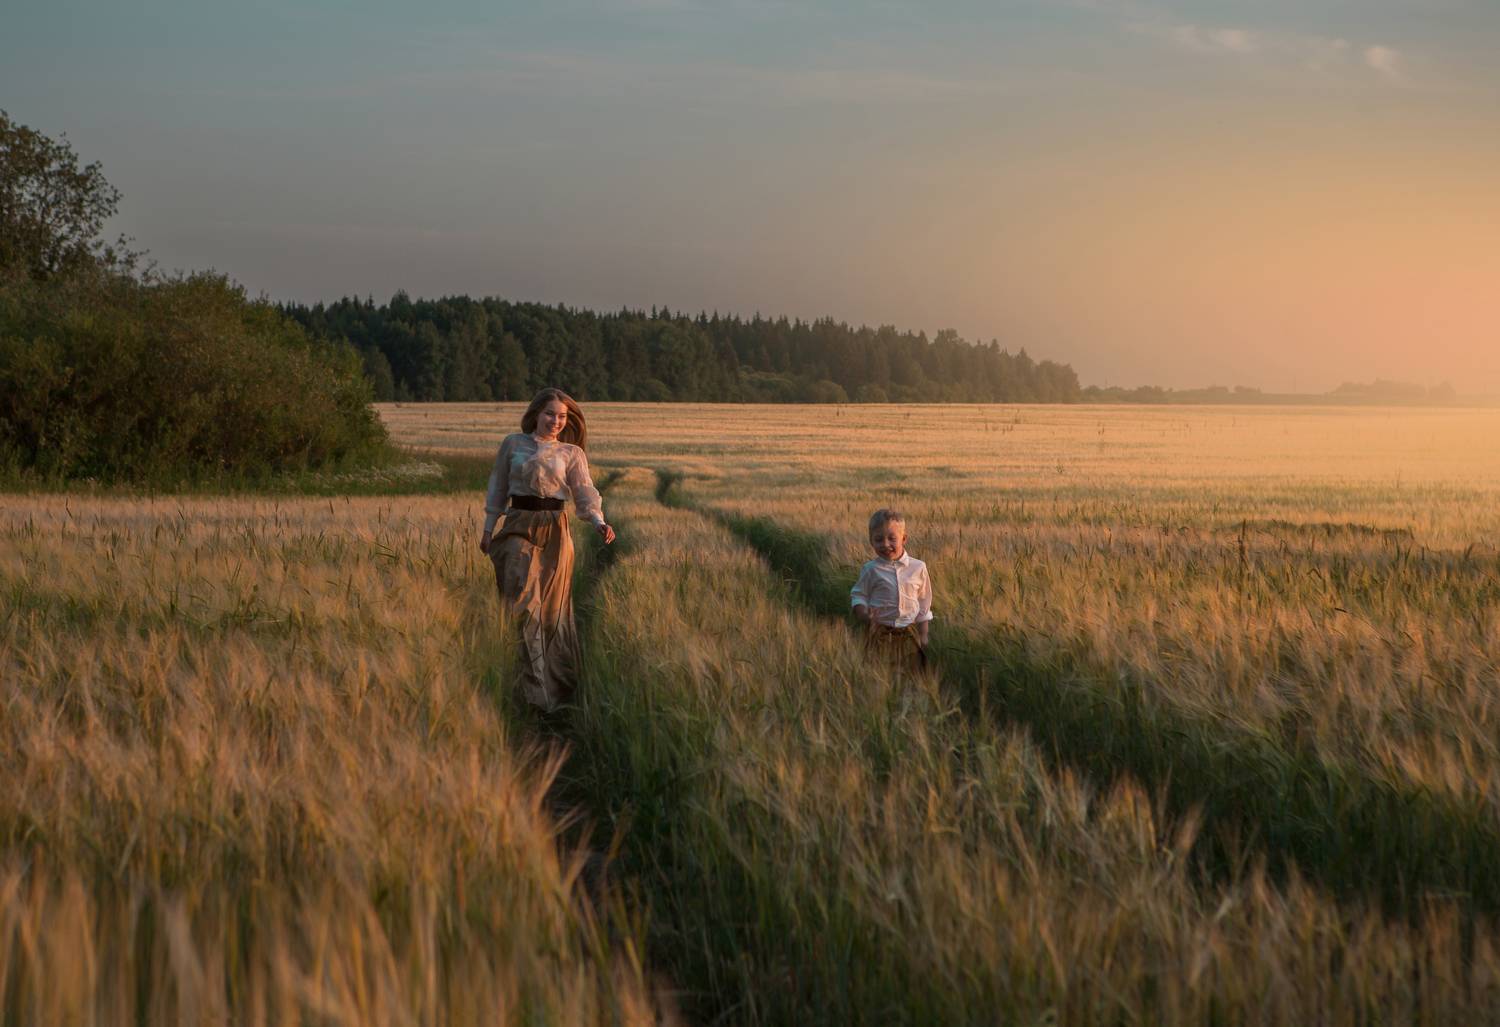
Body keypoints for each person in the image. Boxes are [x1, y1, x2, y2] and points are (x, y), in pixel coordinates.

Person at [480, 388, 615, 710]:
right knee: (524, 607)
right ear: (536, 414)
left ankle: (551, 693)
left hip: (556, 529)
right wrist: (488, 529)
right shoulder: (513, 444)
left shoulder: (571, 453)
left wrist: (598, 522)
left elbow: (584, 493)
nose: (556, 421)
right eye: (550, 414)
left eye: (562, 416)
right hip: (517, 525)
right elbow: (498, 486)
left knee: (551, 615)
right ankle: (532, 692)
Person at [850, 508, 933, 674]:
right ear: (871, 541)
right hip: (879, 632)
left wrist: (923, 635)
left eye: (892, 539)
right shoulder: (870, 570)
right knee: (878, 674)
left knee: (911, 675)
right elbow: (858, 594)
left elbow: (924, 603)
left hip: (909, 633)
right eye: (879, 539)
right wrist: (864, 614)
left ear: (904, 538)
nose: (885, 544)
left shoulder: (918, 567)